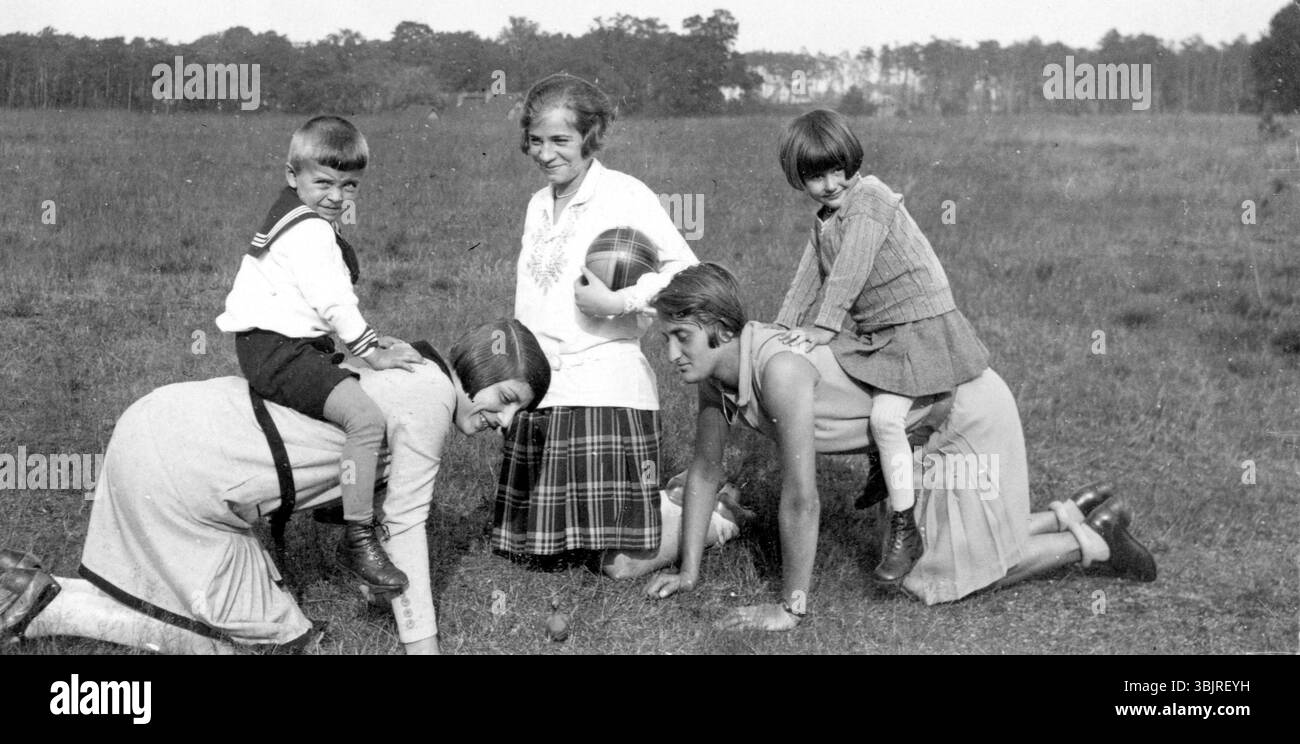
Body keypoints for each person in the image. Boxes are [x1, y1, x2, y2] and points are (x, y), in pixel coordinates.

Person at [644, 264, 1156, 630]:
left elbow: (802, 499)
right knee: (936, 553)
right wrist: (688, 572)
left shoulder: (778, 370)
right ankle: (1067, 513)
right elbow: (706, 472)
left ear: (721, 330)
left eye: (682, 337)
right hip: (915, 433)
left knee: (935, 580)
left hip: (962, 411)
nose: (671, 353)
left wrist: (790, 608)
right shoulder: (716, 375)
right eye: (667, 337)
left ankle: (1094, 539)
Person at [1, 319, 550, 654]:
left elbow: (363, 497)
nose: (503, 421)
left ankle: (29, 587)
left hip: (164, 422)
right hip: (186, 465)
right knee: (263, 643)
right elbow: (405, 527)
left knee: (173, 595)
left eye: (517, 412)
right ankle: (54, 613)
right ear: (477, 367)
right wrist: (423, 649)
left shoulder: (410, 363)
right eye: (504, 399)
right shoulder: (430, 399)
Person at [496, 72, 699, 576]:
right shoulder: (538, 204)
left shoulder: (624, 193)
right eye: (536, 141)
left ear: (591, 137)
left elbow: (686, 271)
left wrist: (618, 301)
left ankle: (711, 515)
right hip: (544, 394)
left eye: (561, 141)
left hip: (607, 392)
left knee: (620, 565)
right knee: (531, 554)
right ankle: (668, 497)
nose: (546, 154)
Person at [773, 109, 989, 583]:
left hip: (919, 326)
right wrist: (780, 329)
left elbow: (851, 268)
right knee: (850, 386)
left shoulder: (869, 199)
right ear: (799, 178)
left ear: (852, 162)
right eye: (815, 176)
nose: (830, 184)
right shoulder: (827, 217)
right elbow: (808, 273)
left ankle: (903, 528)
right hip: (882, 332)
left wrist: (825, 327)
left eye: (837, 170)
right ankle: (882, 465)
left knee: (884, 417)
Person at [216, 115, 424, 594]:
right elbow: (334, 302)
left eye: (349, 186)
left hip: (277, 345)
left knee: (348, 401)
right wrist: (372, 351)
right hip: (279, 351)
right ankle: (358, 538)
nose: (336, 196)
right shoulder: (309, 231)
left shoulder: (293, 214)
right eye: (323, 183)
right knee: (366, 419)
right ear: (293, 176)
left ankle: (336, 496)